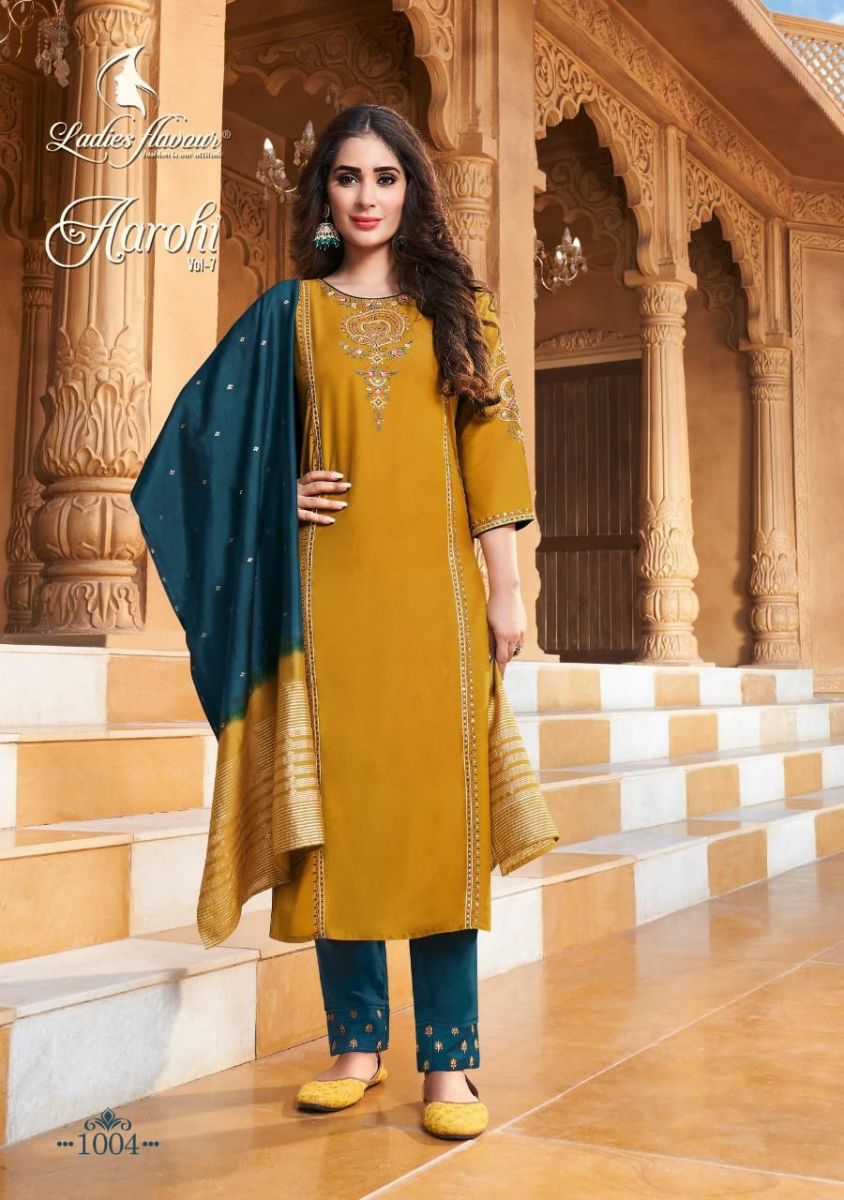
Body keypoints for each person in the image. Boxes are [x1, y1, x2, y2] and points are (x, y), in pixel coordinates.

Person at [131, 102, 558, 1143]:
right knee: (343, 816)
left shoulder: (460, 310)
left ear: (412, 191)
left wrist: (506, 588)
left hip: (438, 600)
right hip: (325, 602)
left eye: (386, 177)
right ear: (323, 193)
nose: (367, 197)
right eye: (348, 177)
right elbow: (199, 453)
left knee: (440, 818)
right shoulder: (292, 314)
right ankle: (355, 1046)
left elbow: (491, 451)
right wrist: (272, 499)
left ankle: (449, 1063)